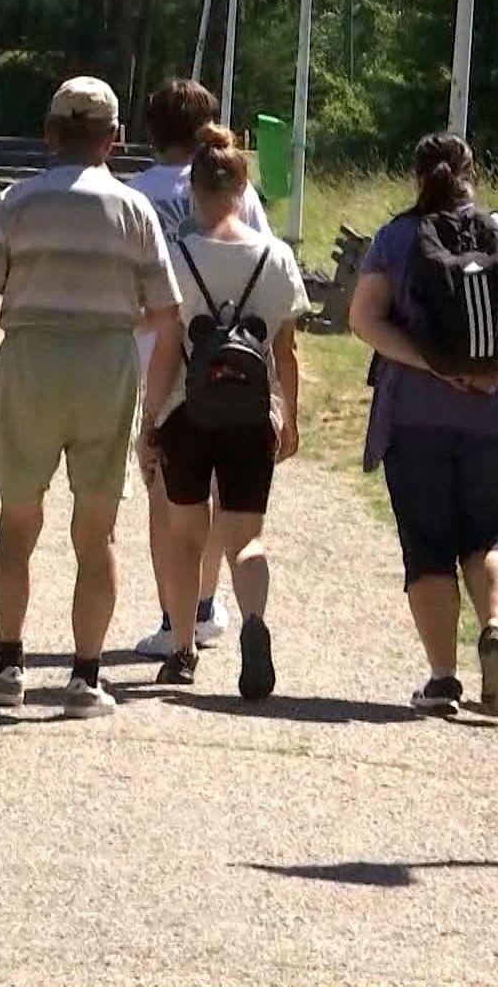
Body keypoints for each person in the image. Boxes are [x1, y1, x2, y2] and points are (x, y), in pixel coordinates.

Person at [0, 76, 183, 718]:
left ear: (51, 133)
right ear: (114, 139)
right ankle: (85, 677)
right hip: (103, 365)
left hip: (29, 360)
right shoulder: (133, 209)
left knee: (18, 519)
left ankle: (7, 664)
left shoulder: (15, 202)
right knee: (96, 529)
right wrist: (115, 326)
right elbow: (166, 312)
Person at [347, 133, 498, 715]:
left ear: (418, 178)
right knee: (488, 531)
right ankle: (494, 624)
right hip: (496, 417)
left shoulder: (395, 238)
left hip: (416, 415)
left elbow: (364, 319)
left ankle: (443, 679)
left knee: (427, 545)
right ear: (475, 175)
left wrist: (432, 366)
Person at [138, 123, 307, 697]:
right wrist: (291, 417)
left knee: (187, 538)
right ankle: (254, 623)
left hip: (189, 411)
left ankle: (183, 649)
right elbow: (285, 350)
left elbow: (165, 349)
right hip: (250, 412)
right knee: (246, 537)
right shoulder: (277, 257)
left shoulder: (176, 257)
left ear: (194, 194)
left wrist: (149, 420)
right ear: (242, 190)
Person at [127, 79, 274, 658]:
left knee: (167, 492)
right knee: (219, 490)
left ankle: (175, 615)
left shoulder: (135, 194)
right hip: (232, 359)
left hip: (154, 355)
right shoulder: (237, 188)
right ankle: (209, 604)